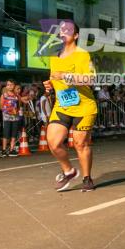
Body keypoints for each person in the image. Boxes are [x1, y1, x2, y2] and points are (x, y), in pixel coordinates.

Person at [47, 20, 98, 192]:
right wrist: (49, 84)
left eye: (68, 30)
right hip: (62, 105)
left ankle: (87, 178)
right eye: (61, 29)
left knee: (80, 143)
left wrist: (65, 76)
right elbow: (55, 78)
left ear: (76, 35)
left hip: (83, 107)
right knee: (53, 143)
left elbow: (90, 79)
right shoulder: (54, 56)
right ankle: (69, 171)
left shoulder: (82, 54)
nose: (63, 32)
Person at [0, 79, 21, 157]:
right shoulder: (4, 95)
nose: (10, 86)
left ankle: (12, 149)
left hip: (15, 117)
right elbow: (1, 107)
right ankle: (4, 150)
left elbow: (18, 106)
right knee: (6, 133)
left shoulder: (17, 96)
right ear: (6, 86)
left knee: (14, 133)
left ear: (14, 86)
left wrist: (16, 111)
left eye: (11, 85)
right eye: (8, 85)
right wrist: (9, 110)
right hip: (7, 117)